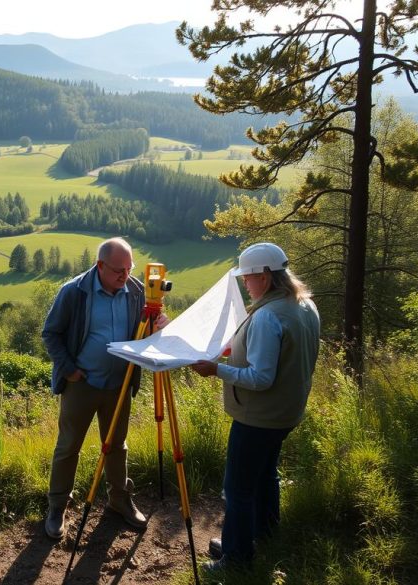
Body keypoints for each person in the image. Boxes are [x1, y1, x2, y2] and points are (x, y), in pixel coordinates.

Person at [189, 242, 320, 570]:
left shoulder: (267, 316)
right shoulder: (304, 306)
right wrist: (227, 353)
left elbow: (261, 377)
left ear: (264, 276)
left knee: (237, 488)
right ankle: (262, 533)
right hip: (286, 412)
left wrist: (215, 369)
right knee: (264, 475)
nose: (244, 283)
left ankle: (236, 556)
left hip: (259, 417)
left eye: (247, 277)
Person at [41, 237, 168, 539]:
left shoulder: (137, 291)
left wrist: (157, 326)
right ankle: (58, 507)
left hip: (120, 385)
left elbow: (143, 334)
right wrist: (69, 370)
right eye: (118, 271)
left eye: (129, 268)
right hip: (82, 384)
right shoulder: (74, 292)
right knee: (68, 446)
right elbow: (51, 334)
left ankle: (119, 501)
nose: (125, 276)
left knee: (116, 446)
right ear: (100, 266)